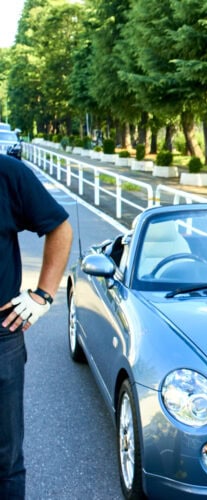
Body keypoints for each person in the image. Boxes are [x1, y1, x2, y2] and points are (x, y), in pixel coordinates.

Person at [0, 154, 73, 499]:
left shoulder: (6, 172)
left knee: (5, 459)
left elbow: (60, 227)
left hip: (0, 334)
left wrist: (42, 296)